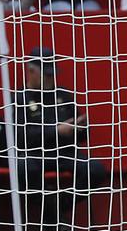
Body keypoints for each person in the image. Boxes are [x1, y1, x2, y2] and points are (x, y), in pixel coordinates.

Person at [12, 47, 107, 200]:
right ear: (31, 71)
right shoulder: (20, 98)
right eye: (47, 75)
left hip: (64, 153)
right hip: (35, 155)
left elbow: (83, 135)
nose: (51, 79)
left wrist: (79, 127)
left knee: (94, 169)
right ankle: (51, 214)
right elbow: (20, 137)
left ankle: (59, 207)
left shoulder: (62, 94)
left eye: (52, 74)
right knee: (24, 169)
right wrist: (56, 131)